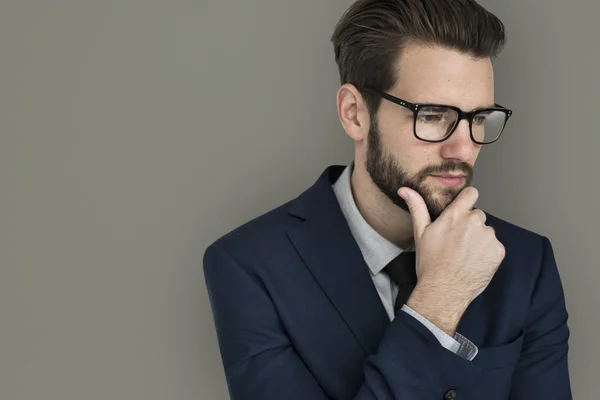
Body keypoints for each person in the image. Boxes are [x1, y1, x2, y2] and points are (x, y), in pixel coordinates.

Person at [202, 0, 572, 398]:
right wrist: (437, 303)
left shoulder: (525, 262)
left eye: (478, 118)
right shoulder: (251, 264)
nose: (463, 148)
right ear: (354, 113)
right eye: (432, 115)